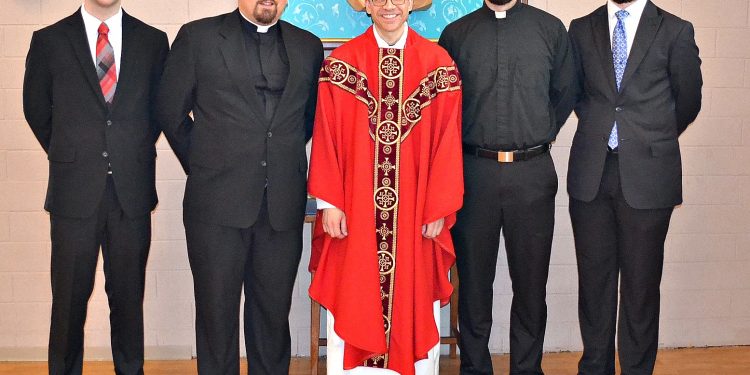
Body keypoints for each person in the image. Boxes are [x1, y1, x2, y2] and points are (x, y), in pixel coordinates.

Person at [155, 0, 323, 373]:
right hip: (215, 203)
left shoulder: (307, 46)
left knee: (273, 317)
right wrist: (204, 162)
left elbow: (306, 120)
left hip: (281, 203)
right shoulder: (197, 37)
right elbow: (169, 109)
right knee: (216, 317)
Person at [307, 0, 463, 374]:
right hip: (355, 212)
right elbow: (325, 133)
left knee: (413, 294)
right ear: (366, 5)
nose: (389, 5)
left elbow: (448, 140)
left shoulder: (438, 64)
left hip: (415, 214)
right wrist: (329, 202)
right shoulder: (342, 64)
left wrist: (439, 208)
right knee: (355, 291)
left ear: (411, 4)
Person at [22, 0, 168, 374]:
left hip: (130, 192)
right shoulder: (49, 40)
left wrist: (125, 150)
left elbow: (159, 110)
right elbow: (36, 108)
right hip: (73, 193)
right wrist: (73, 152)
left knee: (128, 301)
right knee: (68, 302)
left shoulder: (153, 41)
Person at [438, 0, 577, 373]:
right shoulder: (456, 35)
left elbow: (566, 93)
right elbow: (443, 105)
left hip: (532, 174)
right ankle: (474, 367)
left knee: (531, 286)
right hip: (473, 174)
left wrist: (538, 133)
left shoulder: (550, 30)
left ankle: (528, 369)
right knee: (473, 286)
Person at [567, 0, 702, 373]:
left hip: (648, 175)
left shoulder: (676, 29)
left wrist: (648, 136)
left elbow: (689, 100)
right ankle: (595, 367)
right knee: (594, 284)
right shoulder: (581, 28)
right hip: (592, 173)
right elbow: (577, 94)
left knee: (641, 288)